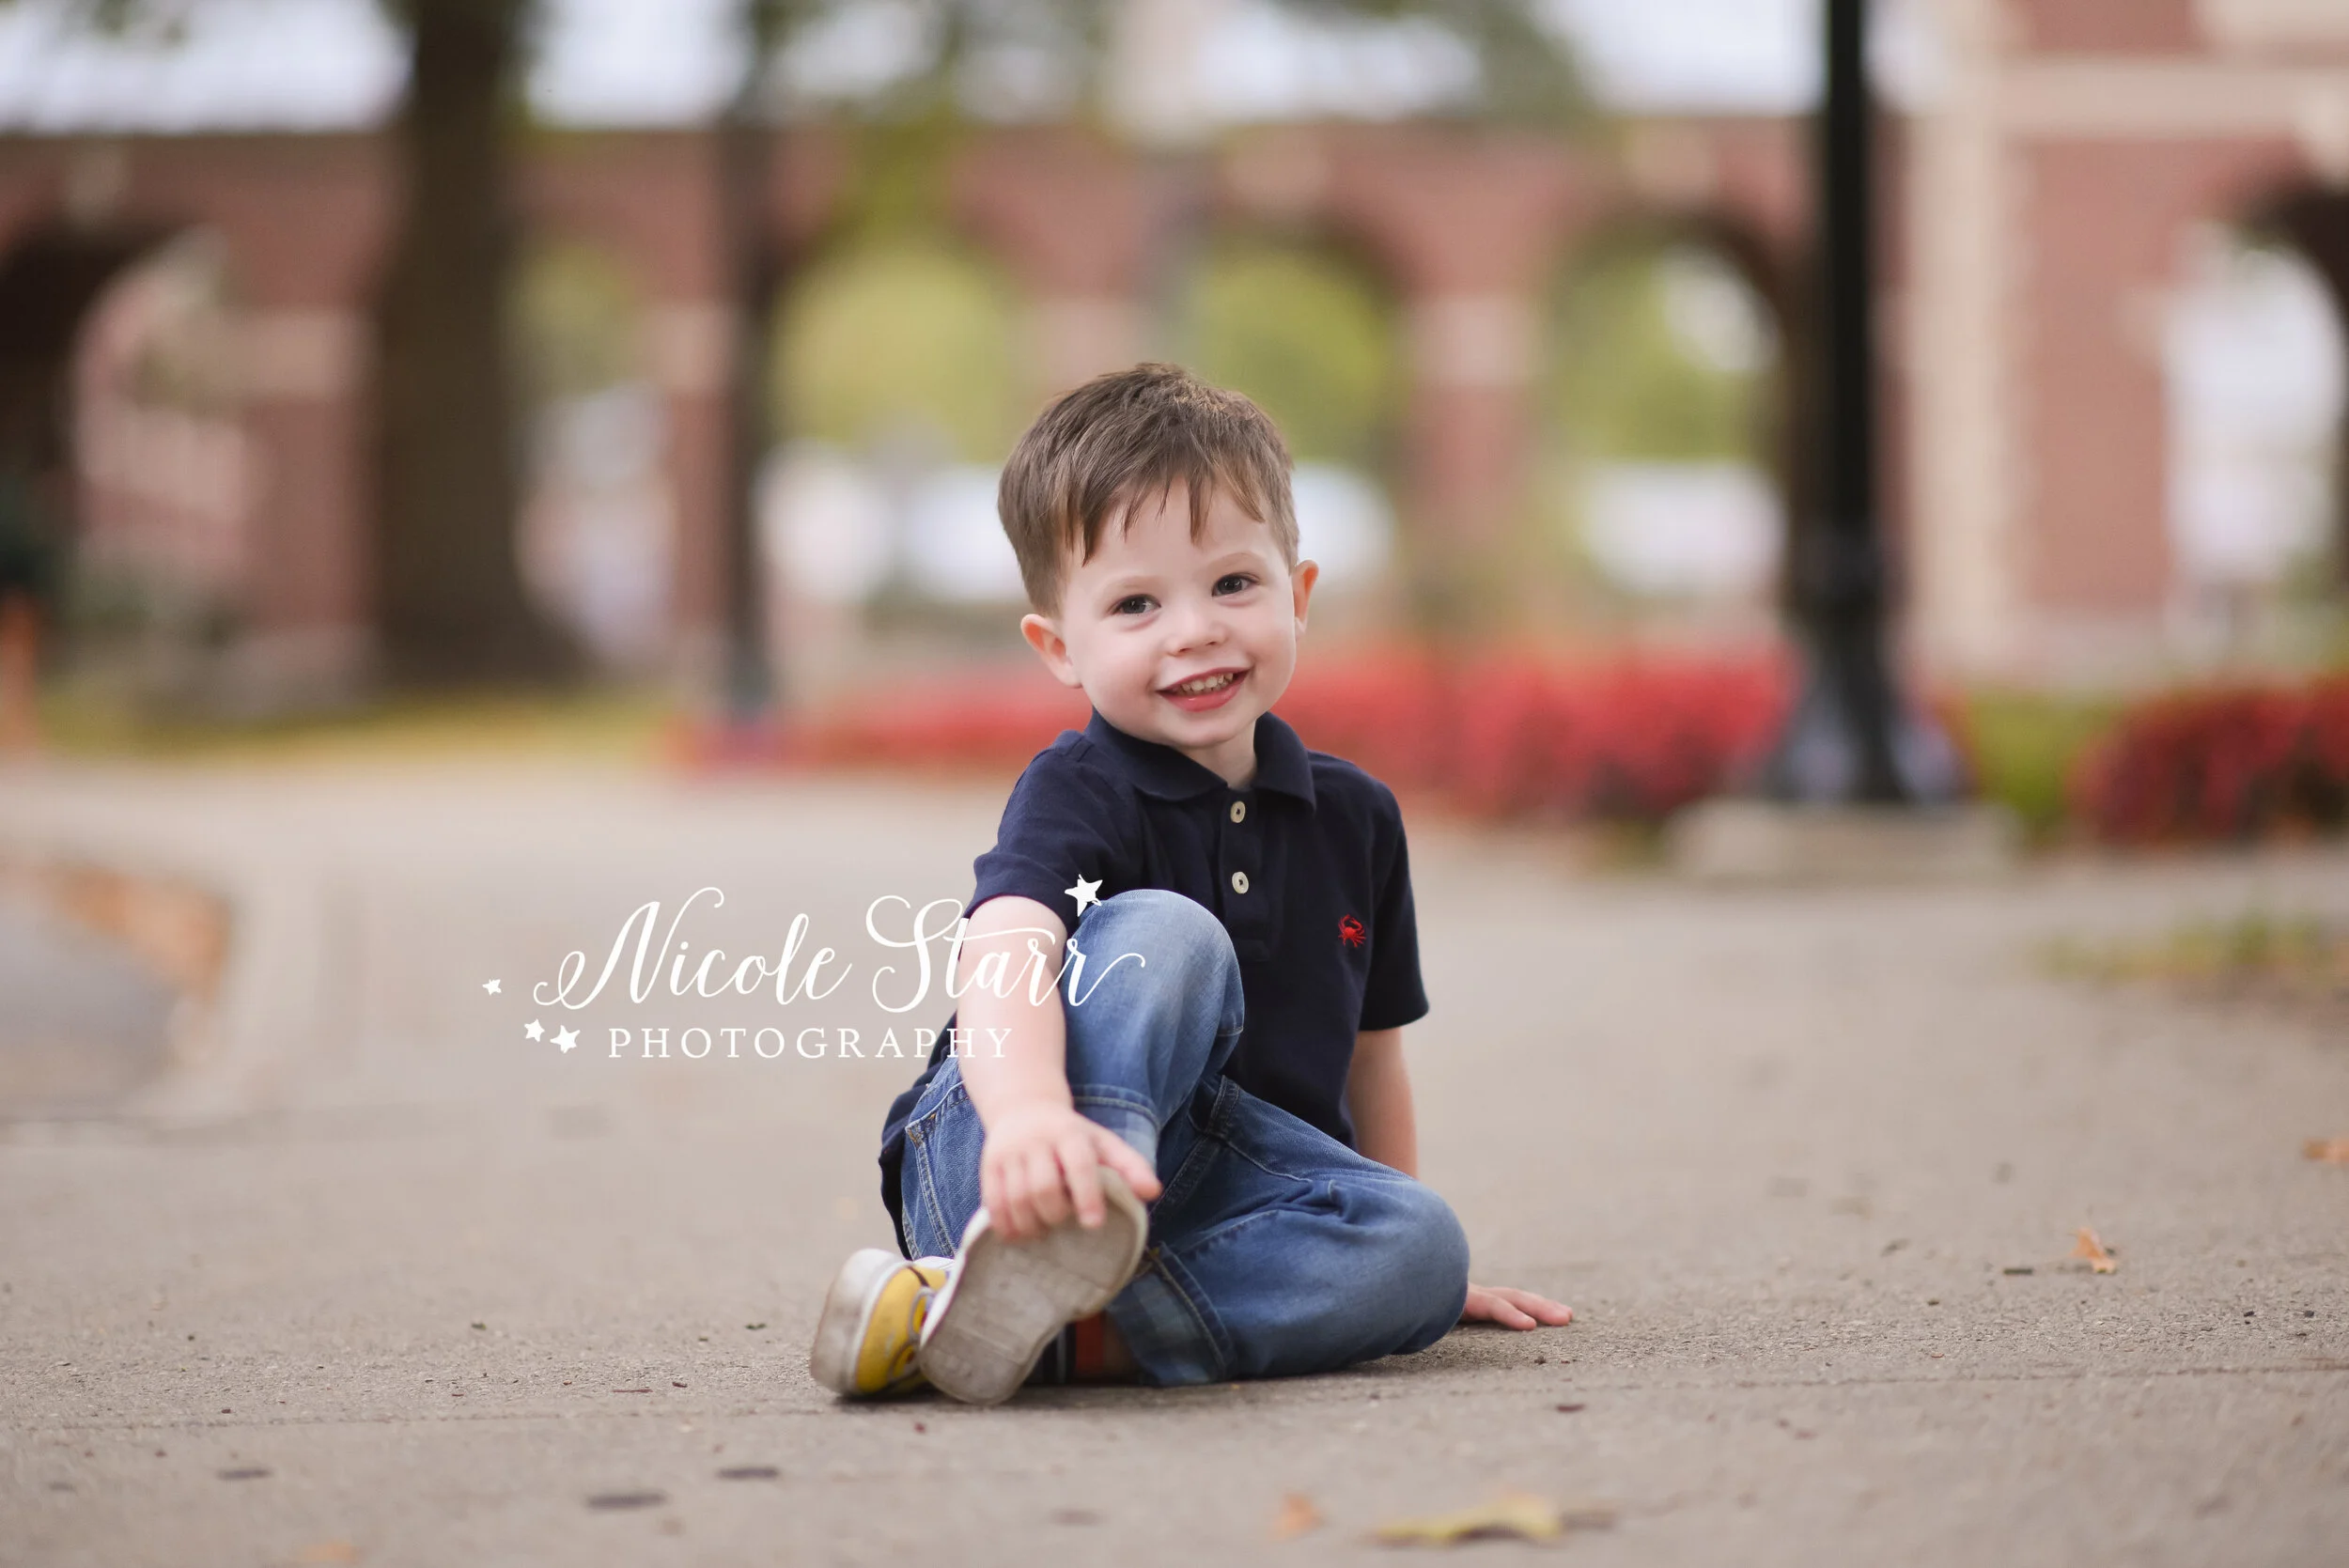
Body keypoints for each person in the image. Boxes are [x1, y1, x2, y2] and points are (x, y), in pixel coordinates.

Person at [808, 364, 1571, 1405]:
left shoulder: (1355, 819)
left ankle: (1041, 1335)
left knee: (1426, 1248)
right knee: (1168, 934)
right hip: (1005, 1161)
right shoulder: (1078, 789)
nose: (1195, 629)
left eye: (1233, 585)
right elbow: (1005, 950)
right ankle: (1059, 1243)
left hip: (1214, 1200)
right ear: (1058, 647)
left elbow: (1370, 1056)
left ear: (1298, 595)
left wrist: (1383, 1250)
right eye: (1135, 603)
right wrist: (1030, 1114)